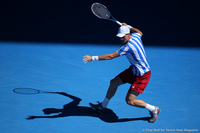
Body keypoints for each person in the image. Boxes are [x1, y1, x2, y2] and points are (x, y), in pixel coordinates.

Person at [83, 23, 160, 123]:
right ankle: (102, 107)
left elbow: (110, 56)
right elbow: (139, 32)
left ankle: (154, 109)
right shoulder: (136, 36)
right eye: (120, 37)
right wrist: (128, 26)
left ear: (128, 34)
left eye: (123, 37)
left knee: (130, 101)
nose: (121, 39)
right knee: (113, 82)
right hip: (133, 71)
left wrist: (92, 58)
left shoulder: (128, 47)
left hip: (142, 76)